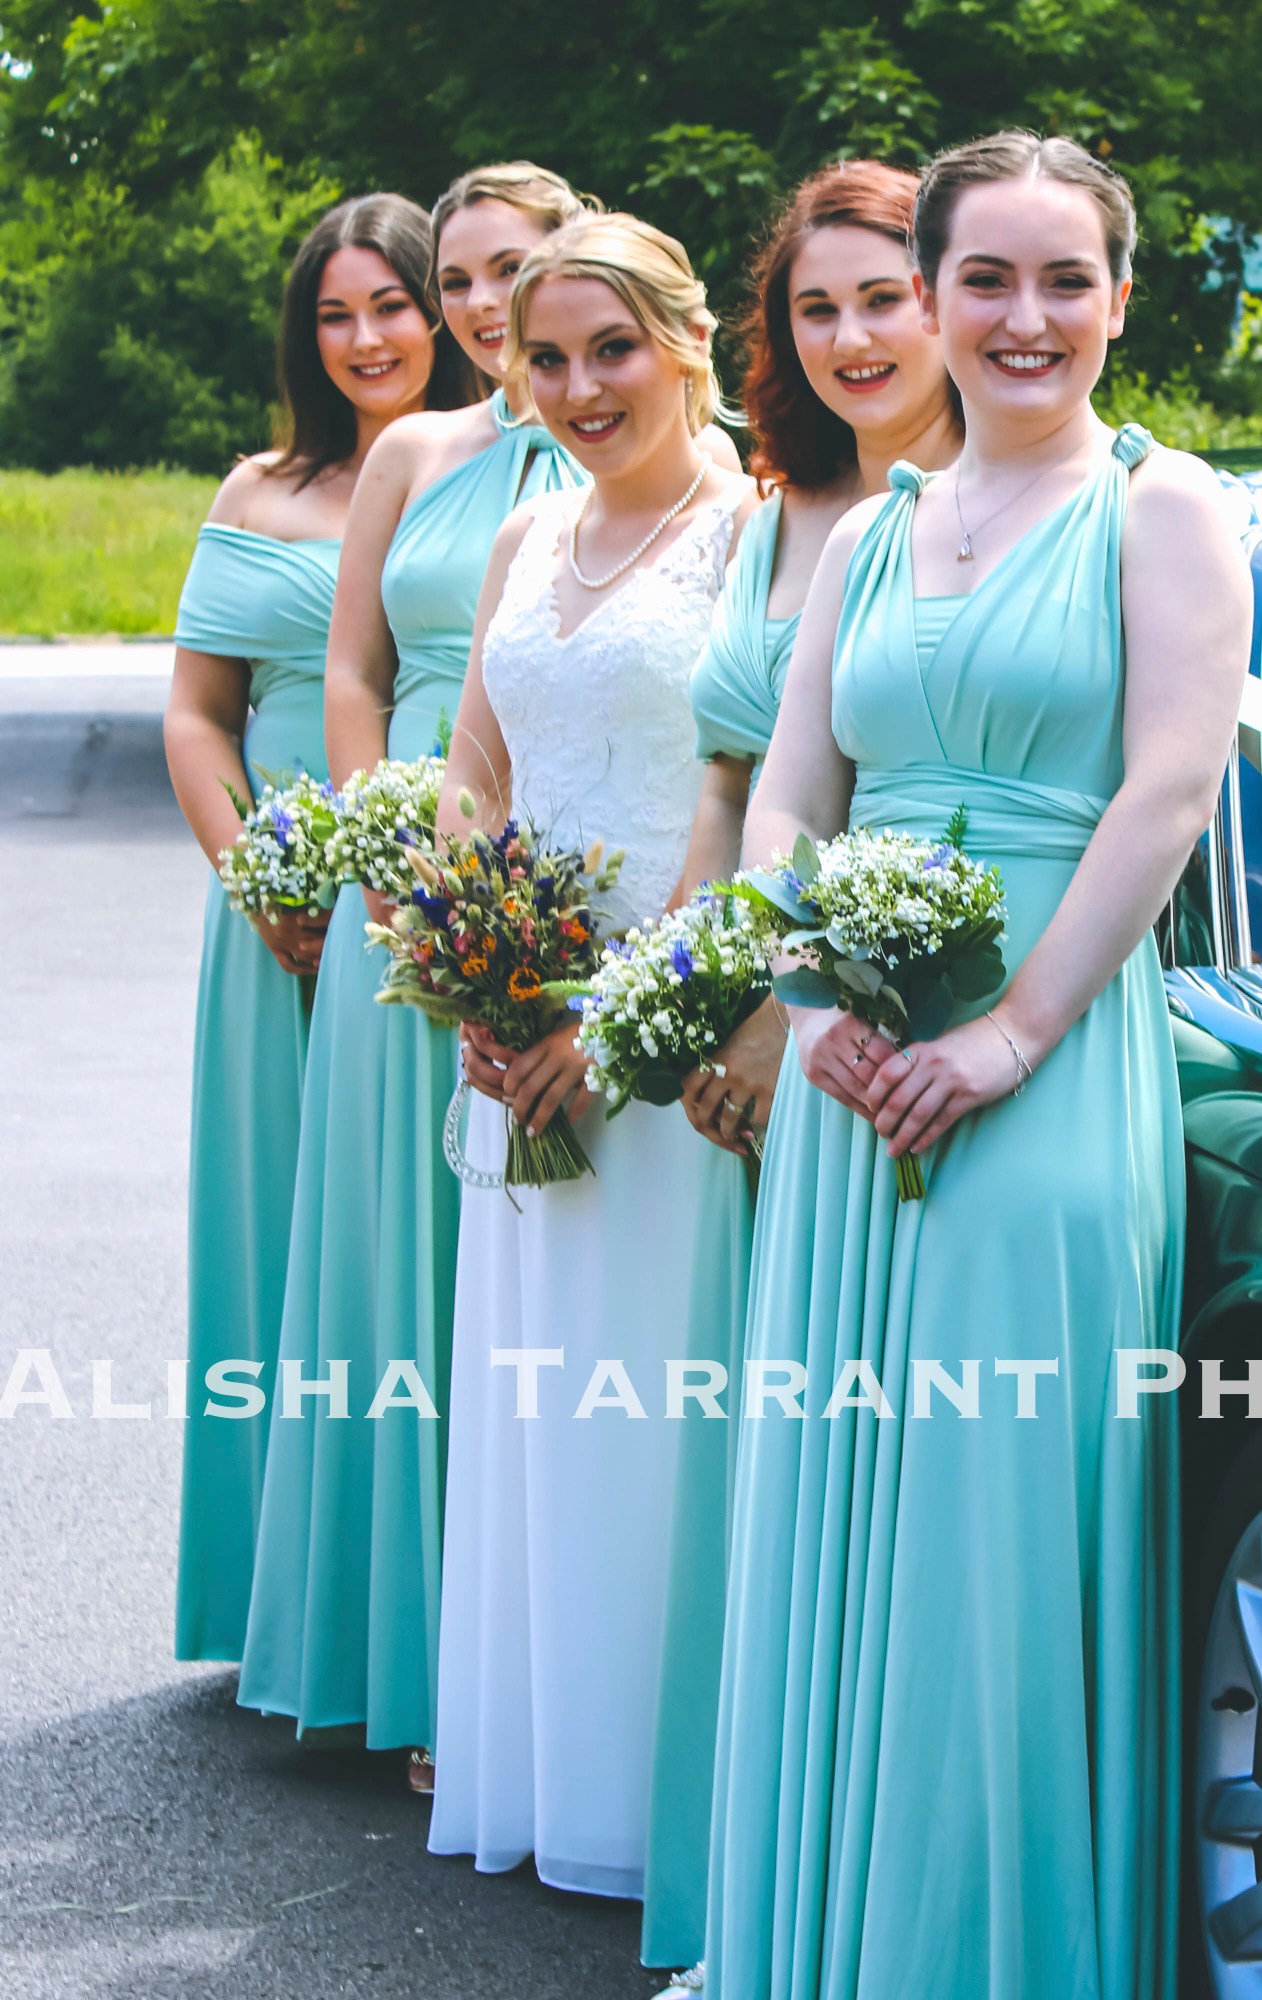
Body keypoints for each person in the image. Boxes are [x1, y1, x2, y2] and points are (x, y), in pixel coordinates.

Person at [692, 131, 1251, 2000]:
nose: (1026, 318)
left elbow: (1168, 791)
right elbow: (791, 794)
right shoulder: (870, 534)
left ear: (1120, 300)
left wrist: (1009, 1035)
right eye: (985, 280)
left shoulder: (1169, 511)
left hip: (1051, 1072)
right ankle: (830, 1951)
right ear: (929, 298)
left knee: (995, 1526)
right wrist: (811, 1004)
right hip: (855, 1077)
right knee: (843, 1511)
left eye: (1064, 280)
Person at [234, 163, 695, 1784]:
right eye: (472, 286)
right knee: (472, 1318)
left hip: (637, 942)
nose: (503, 319)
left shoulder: (729, 506)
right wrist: (442, 922)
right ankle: (463, 1688)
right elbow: (393, 701)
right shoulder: (460, 486)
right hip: (471, 929)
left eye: (538, 291)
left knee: (617, 1337)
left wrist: (626, 990)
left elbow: (734, 771)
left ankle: (604, 1726)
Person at [639, 156, 962, 1978]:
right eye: (815, 307)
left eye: (882, 297)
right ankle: (769, 1880)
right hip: (751, 1024)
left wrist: (784, 1017)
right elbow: (729, 787)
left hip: (874, 1032)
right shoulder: (786, 513)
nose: (851, 337)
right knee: (774, 1476)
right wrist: (698, 1012)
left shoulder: (993, 516)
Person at [425, 212, 758, 1900]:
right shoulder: (526, 532)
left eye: (611, 348)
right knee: (542, 1401)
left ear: (688, 343)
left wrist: (620, 1023)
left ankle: (660, 1802)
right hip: (516, 1027)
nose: (578, 387)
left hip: (664, 1039)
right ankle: (550, 1769)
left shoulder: (757, 533)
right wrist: (475, 969)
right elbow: (473, 768)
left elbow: (742, 804)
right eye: (544, 358)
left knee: (651, 1406)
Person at [166, 192, 460, 1666]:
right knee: (272, 1240)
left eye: (391, 305)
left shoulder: (490, 479)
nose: (366, 339)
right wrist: (258, 875)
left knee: (399, 1256)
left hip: (425, 899)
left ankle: (396, 1605)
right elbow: (196, 715)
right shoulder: (260, 488)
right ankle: (270, 1603)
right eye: (335, 315)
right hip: (277, 907)